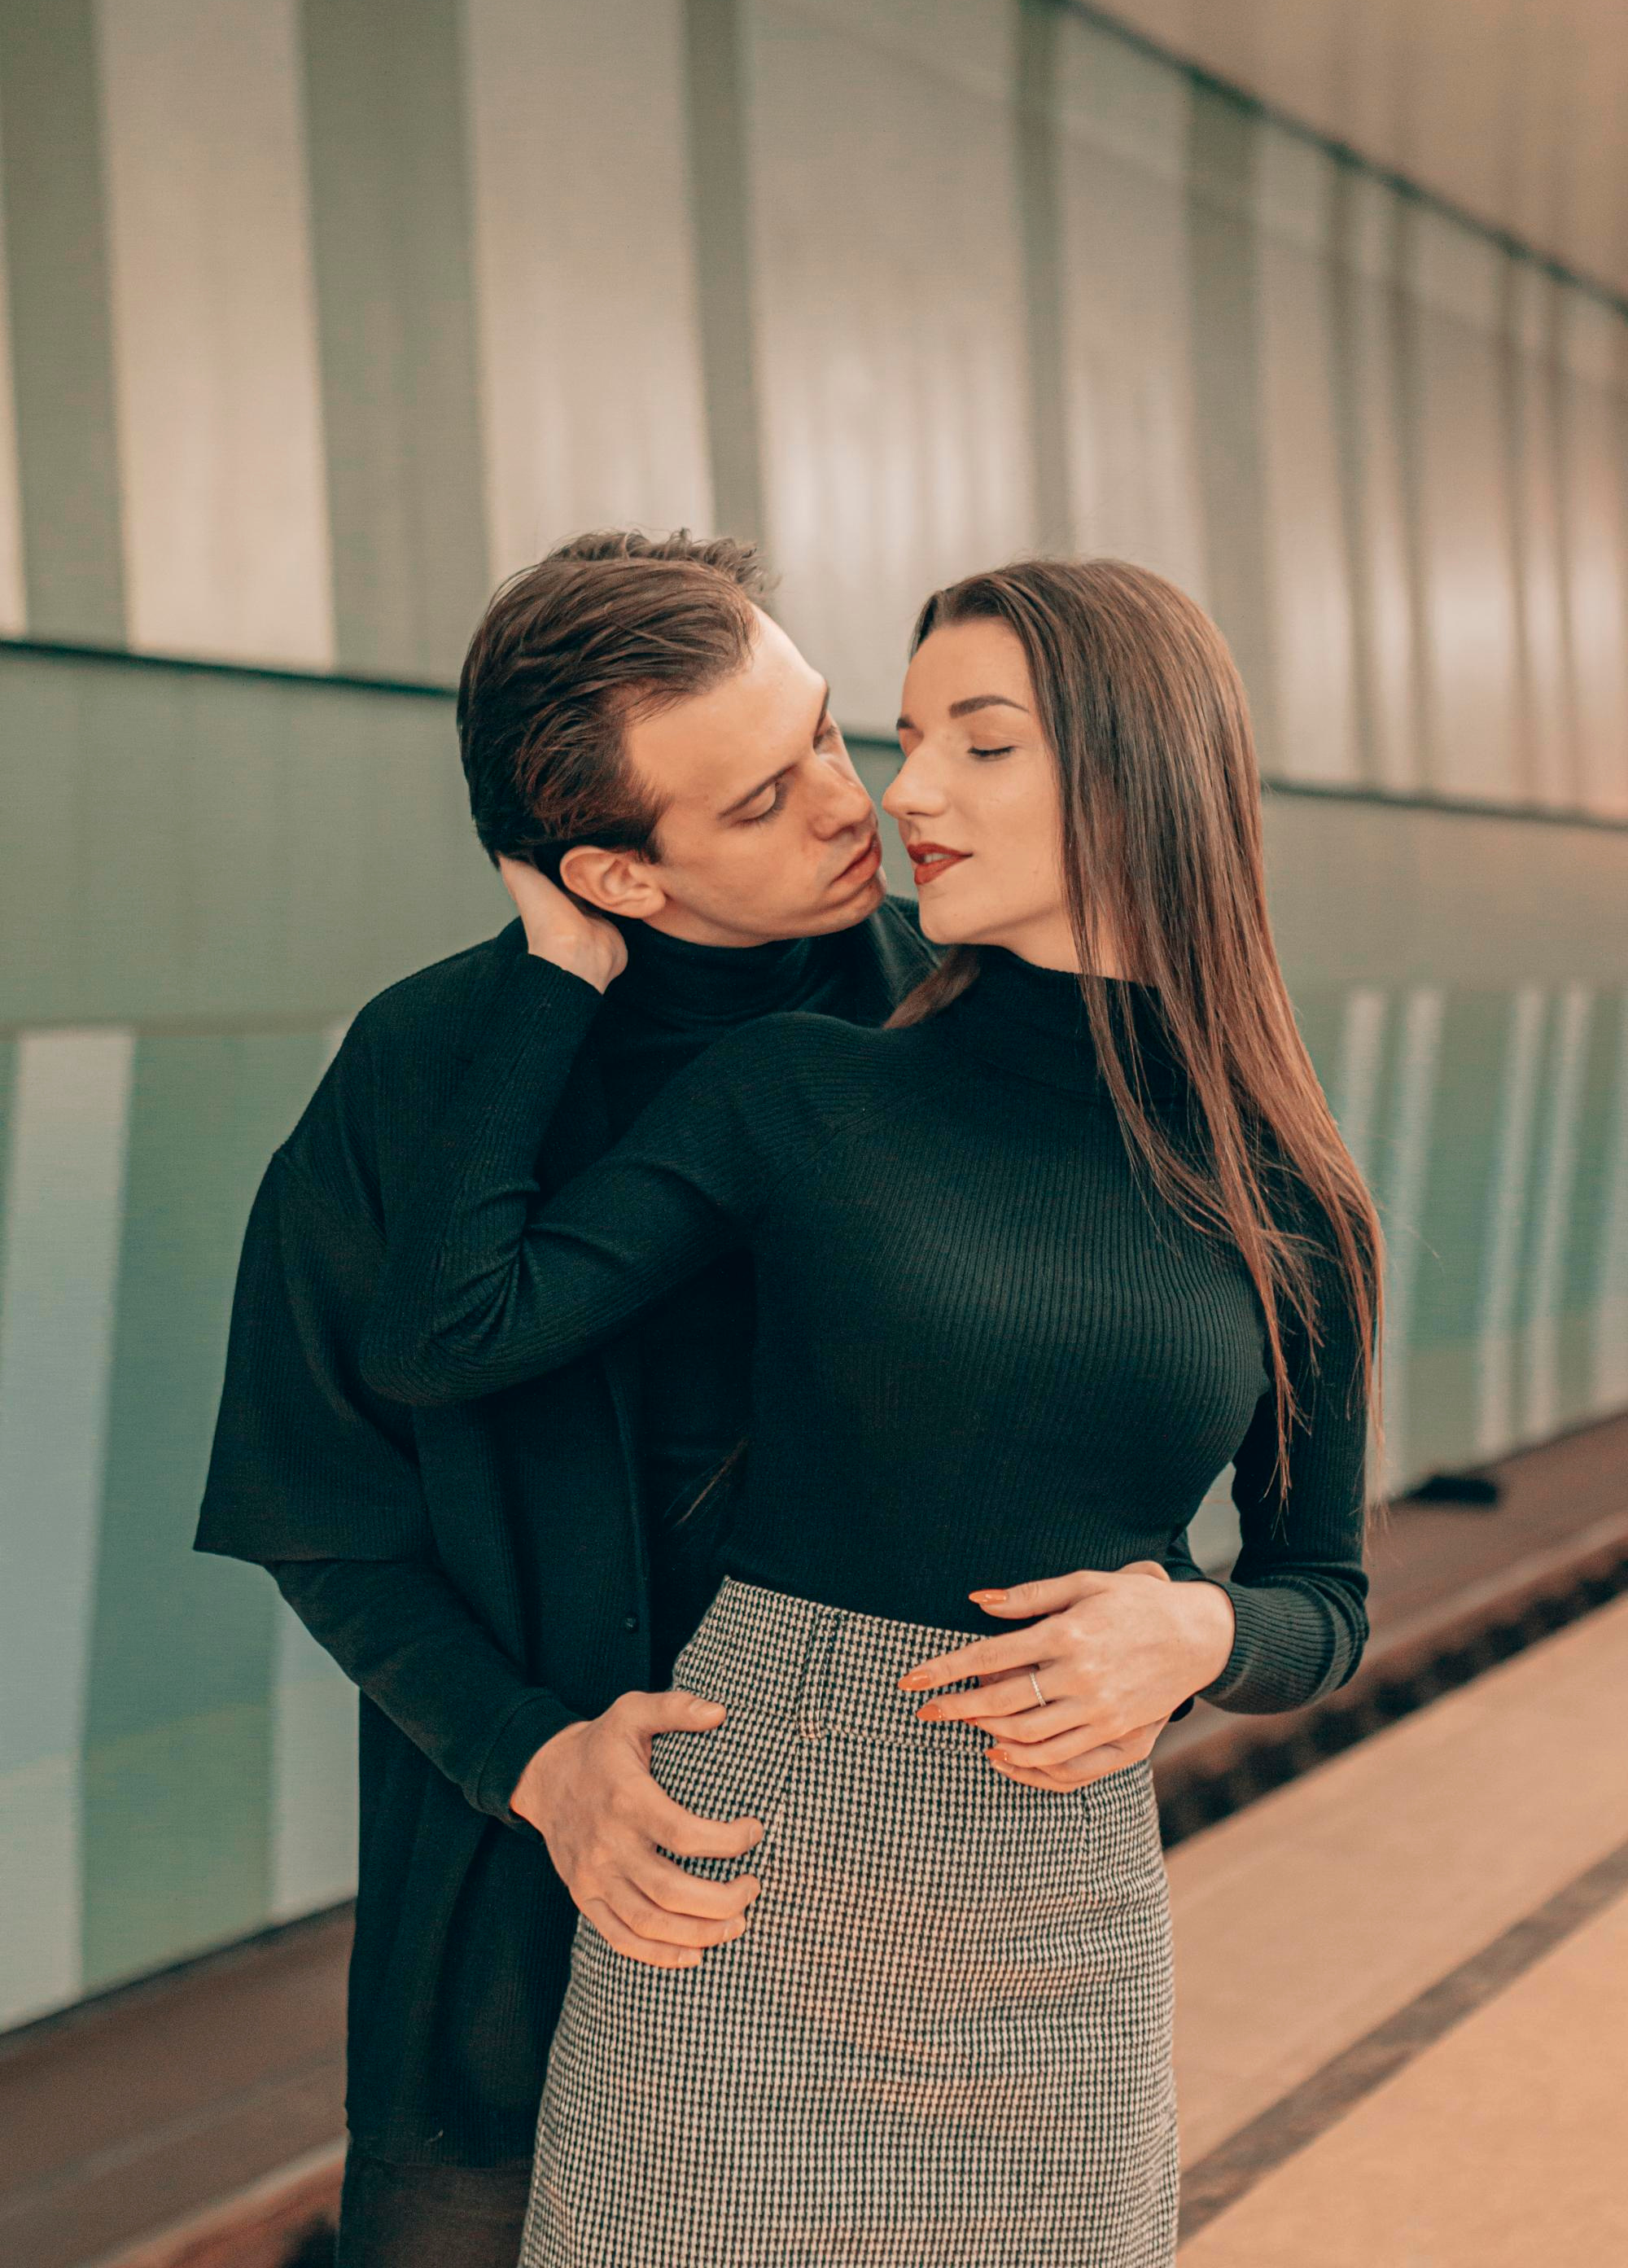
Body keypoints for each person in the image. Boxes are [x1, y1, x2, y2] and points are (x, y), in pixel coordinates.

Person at [357, 558, 1382, 2267]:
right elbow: (449, 1331)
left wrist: (1198, 1631)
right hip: (741, 1889)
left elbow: (1326, 1602)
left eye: (978, 746)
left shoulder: (1288, 1194)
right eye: (905, 739)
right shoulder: (799, 1090)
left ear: (1140, 768)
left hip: (1055, 1929)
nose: (905, 795)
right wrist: (559, 961)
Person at [195, 532, 937, 2268]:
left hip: (894, 1906)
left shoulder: (968, 1036)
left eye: (828, 732)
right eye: (764, 798)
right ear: (615, 874)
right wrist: (538, 1764)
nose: (849, 802)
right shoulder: (416, 1074)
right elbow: (325, 1510)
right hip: (515, 1920)